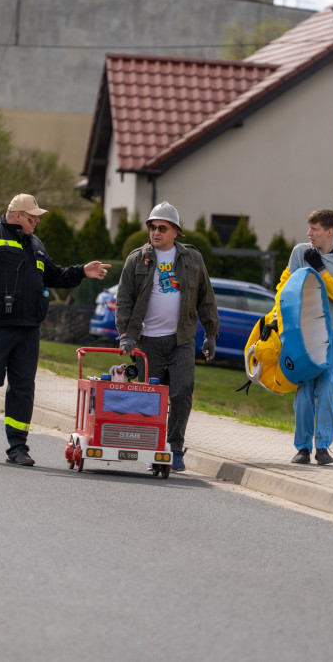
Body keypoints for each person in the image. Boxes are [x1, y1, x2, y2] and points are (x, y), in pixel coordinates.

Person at [0, 193, 111, 465]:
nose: (36, 221)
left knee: (23, 388)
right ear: (17, 216)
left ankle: (18, 448)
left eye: (37, 217)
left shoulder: (35, 245)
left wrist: (82, 271)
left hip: (27, 329)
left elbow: (55, 275)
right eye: (31, 216)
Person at [115, 201, 218, 473]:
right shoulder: (137, 259)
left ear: (175, 232)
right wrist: (126, 335)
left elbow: (206, 299)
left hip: (181, 341)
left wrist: (210, 335)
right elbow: (124, 299)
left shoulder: (192, 259)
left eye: (162, 228)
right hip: (147, 342)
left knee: (182, 392)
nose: (155, 232)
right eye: (152, 227)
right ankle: (151, 447)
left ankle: (174, 448)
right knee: (150, 398)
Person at [283, 209, 333, 466]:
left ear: (329, 231)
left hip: (331, 330)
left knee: (327, 386)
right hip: (302, 330)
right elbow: (285, 285)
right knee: (305, 386)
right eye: (308, 228)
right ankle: (302, 447)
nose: (308, 234)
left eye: (314, 229)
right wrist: (279, 316)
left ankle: (323, 447)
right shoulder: (299, 252)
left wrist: (321, 269)